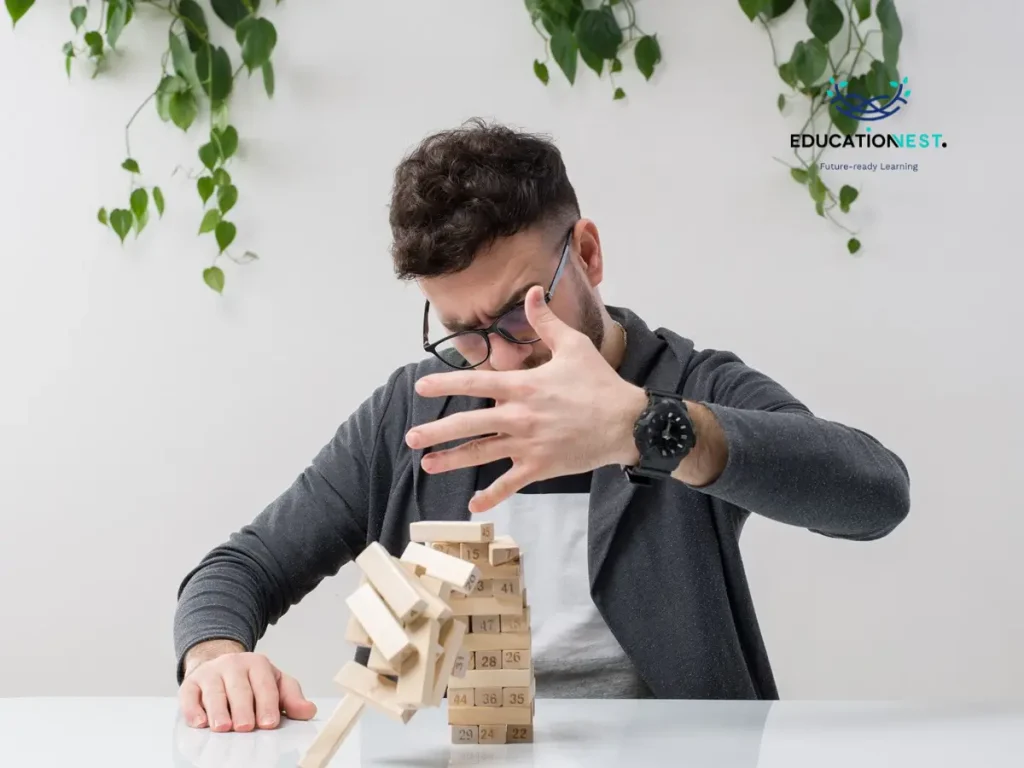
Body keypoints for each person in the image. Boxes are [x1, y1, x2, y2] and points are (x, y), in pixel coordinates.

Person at [173, 118, 911, 733]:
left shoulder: (687, 385)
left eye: (520, 309)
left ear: (587, 255)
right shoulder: (416, 408)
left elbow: (875, 494)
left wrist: (647, 428)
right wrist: (215, 659)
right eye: (462, 330)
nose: (498, 358)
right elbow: (242, 568)